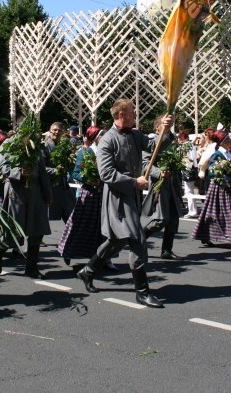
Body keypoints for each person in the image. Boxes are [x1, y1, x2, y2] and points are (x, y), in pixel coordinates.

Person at [75, 99, 173, 308]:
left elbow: (156, 146)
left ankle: (88, 271)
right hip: (118, 198)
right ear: (121, 114)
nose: (135, 114)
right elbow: (106, 174)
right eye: (132, 111)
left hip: (133, 195)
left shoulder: (136, 135)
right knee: (136, 238)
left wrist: (167, 130)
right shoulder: (108, 140)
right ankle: (142, 292)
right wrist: (133, 182)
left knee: (117, 241)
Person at [0, 128, 53, 279]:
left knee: (37, 231)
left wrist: (48, 193)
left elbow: (42, 172)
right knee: (13, 230)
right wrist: (19, 172)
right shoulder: (8, 145)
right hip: (16, 191)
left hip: (34, 191)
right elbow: (3, 167)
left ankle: (31, 268)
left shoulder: (36, 147)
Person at [57, 126, 109, 265]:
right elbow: (75, 173)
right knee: (80, 226)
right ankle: (68, 251)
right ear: (95, 138)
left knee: (103, 228)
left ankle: (104, 258)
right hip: (89, 194)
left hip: (103, 195)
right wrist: (89, 179)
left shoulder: (108, 153)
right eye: (101, 135)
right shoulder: (85, 152)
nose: (104, 137)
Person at [191, 131, 231, 248]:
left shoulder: (230, 153)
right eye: (227, 139)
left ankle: (205, 236)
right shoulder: (217, 154)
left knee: (215, 214)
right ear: (222, 142)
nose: (230, 141)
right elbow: (212, 172)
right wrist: (223, 171)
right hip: (221, 187)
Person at [142, 117, 185, 260]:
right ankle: (139, 237)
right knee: (161, 219)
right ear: (156, 128)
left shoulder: (171, 142)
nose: (168, 127)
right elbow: (145, 164)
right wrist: (158, 173)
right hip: (159, 184)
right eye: (164, 125)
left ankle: (166, 250)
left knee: (173, 218)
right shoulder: (150, 143)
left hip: (172, 183)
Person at [43, 122, 75, 223]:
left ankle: (71, 239)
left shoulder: (64, 147)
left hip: (64, 188)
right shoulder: (44, 147)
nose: (57, 132)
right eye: (55, 130)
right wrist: (57, 171)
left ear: (63, 132)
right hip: (51, 189)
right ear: (50, 131)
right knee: (44, 224)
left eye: (59, 130)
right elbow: (41, 168)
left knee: (72, 220)